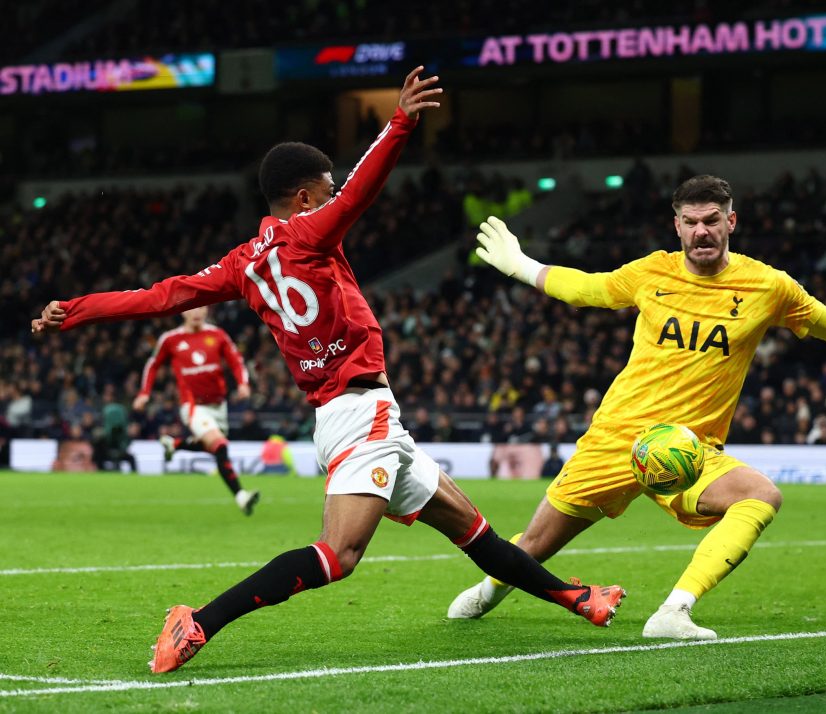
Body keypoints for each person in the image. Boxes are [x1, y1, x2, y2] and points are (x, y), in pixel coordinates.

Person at [32, 67, 624, 675]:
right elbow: (363, 189)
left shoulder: (240, 264)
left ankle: (581, 600)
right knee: (338, 555)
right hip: (357, 413)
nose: (335, 194)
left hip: (364, 415)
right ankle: (198, 622)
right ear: (306, 198)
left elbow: (161, 296)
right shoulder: (310, 234)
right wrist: (400, 122)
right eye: (327, 188)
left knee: (474, 531)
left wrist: (74, 311)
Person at [449, 175, 826, 640]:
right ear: (676, 226)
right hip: (616, 438)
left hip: (690, 450)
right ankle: (493, 589)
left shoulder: (767, 285)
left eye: (712, 220)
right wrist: (522, 266)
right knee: (535, 543)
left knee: (760, 496)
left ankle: (674, 611)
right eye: (691, 222)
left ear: (731, 222)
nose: (702, 231)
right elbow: (590, 289)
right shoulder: (651, 273)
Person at [134, 306, 259, 514]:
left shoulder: (217, 335)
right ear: (183, 312)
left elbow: (236, 360)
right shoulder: (171, 339)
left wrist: (243, 383)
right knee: (219, 445)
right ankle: (240, 495)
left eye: (201, 307)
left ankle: (174, 443)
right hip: (193, 406)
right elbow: (153, 364)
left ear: (207, 310)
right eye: (192, 308)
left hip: (219, 406)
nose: (196, 312)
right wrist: (144, 393)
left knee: (213, 446)